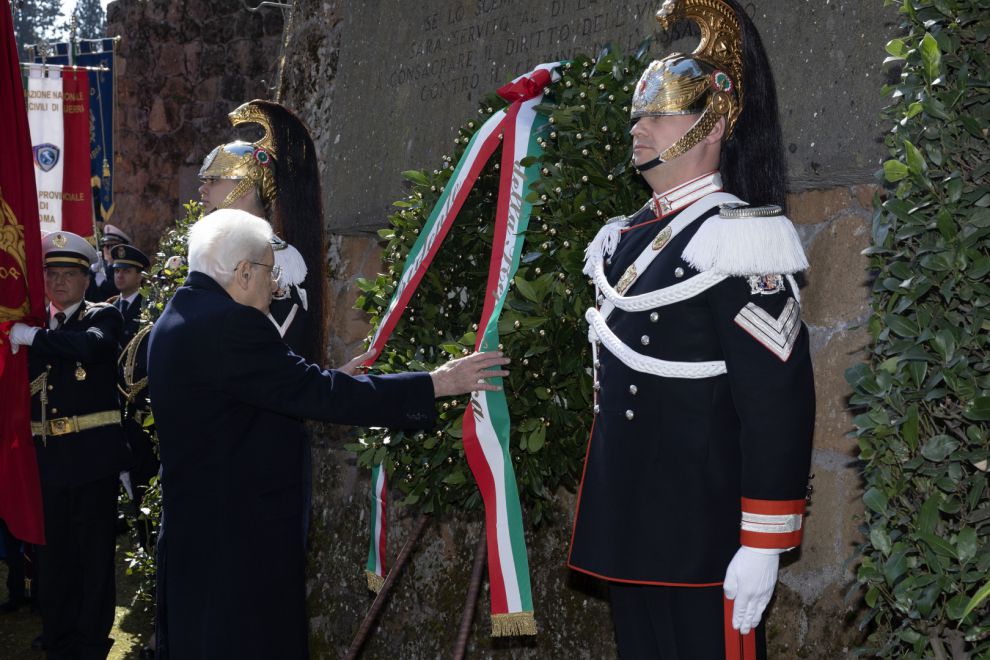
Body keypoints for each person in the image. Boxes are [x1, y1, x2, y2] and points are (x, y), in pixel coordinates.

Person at [567, 0, 815, 657]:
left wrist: (763, 543)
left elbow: (776, 403)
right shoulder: (628, 238)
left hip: (702, 534)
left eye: (660, 111)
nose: (639, 127)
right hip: (633, 524)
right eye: (637, 112)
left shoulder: (742, 239)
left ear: (714, 122)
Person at [147, 210, 509, 659]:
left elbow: (251, 398)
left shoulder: (178, 316)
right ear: (242, 273)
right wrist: (435, 383)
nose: (276, 285)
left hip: (198, 534)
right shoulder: (231, 324)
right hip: (238, 545)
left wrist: (328, 378)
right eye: (268, 270)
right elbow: (317, 394)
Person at [7, 230, 131, 659]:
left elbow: (91, 349)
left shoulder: (103, 316)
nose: (58, 283)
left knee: (93, 557)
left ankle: (91, 640)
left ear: (85, 279)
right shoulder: (38, 325)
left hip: (93, 461)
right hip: (47, 463)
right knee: (52, 557)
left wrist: (31, 338)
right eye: (51, 274)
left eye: (68, 275)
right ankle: (57, 636)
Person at [107, 244, 150, 348]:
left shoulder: (149, 307)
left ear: (140, 277)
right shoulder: (110, 306)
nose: (119, 276)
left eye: (126, 271)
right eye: (117, 271)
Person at [86, 223, 132, 302]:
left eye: (111, 246)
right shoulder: (102, 268)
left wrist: (102, 283)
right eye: (105, 246)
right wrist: (92, 273)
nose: (107, 249)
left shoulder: (125, 268)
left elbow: (116, 290)